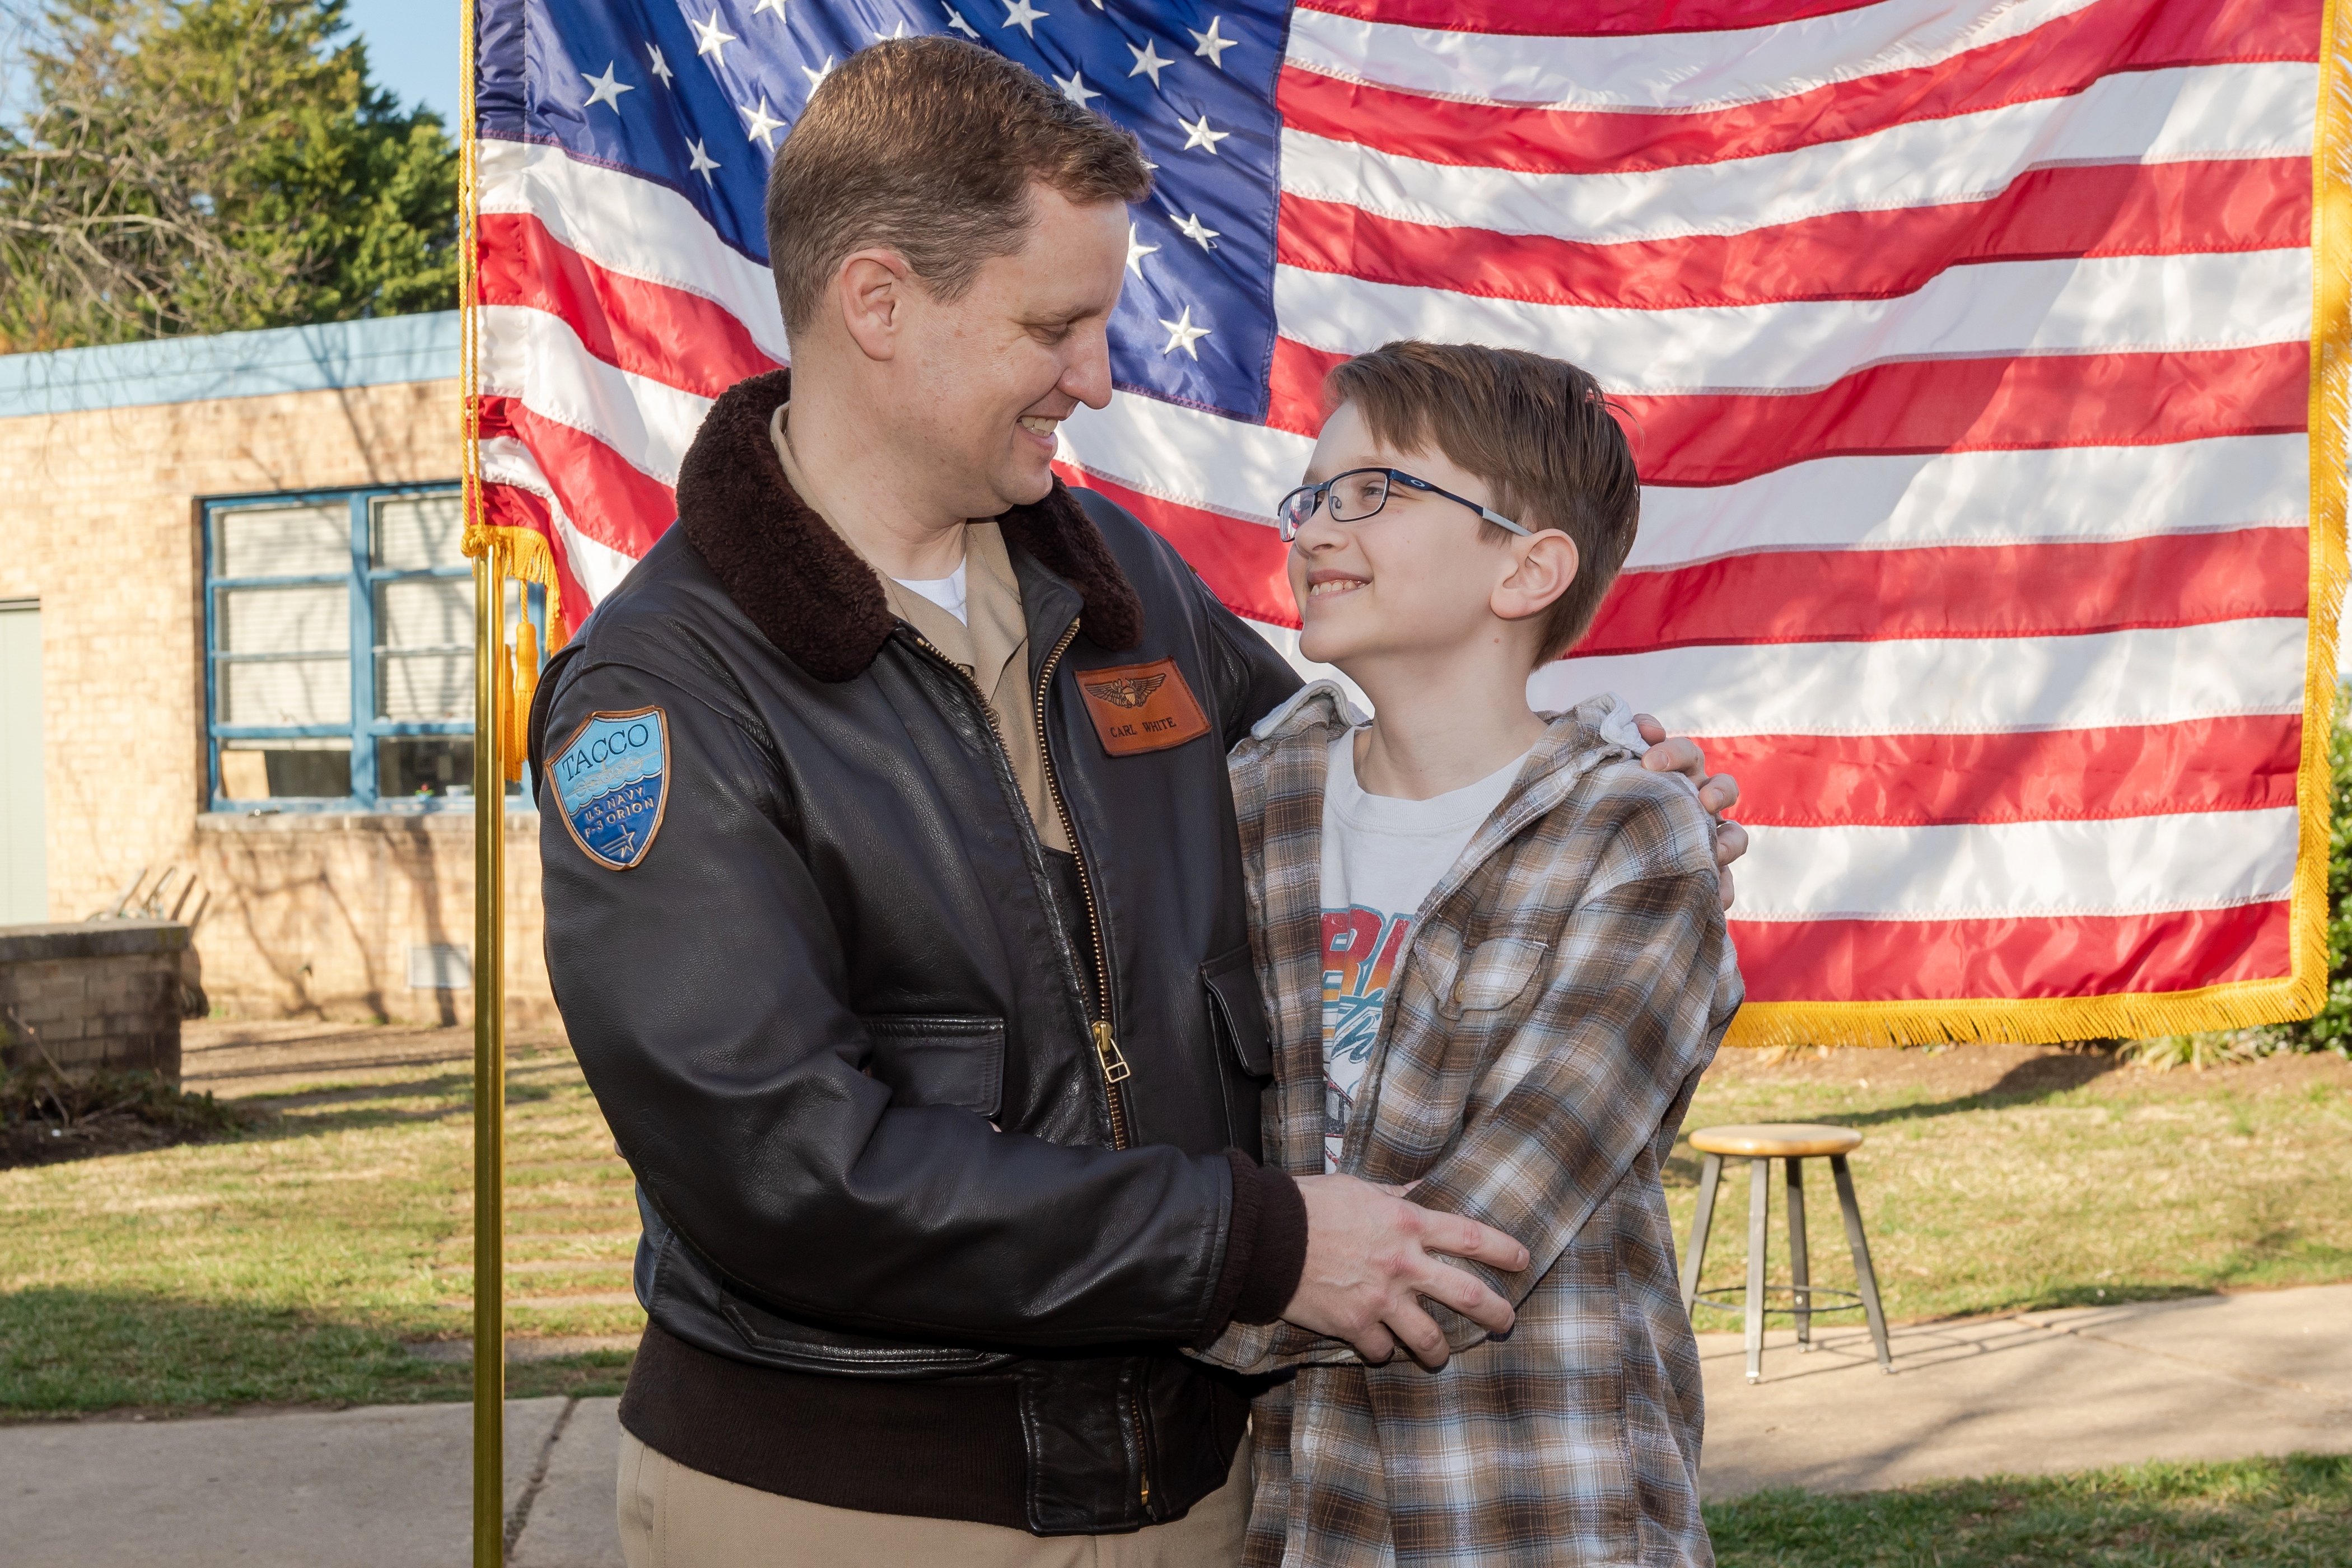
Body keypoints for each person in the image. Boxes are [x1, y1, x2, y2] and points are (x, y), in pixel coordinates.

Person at [527, 38, 1743, 1568]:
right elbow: (788, 1167)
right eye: (1057, 324)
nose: (1097, 379)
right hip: (857, 1509)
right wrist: (1256, 1248)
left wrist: (1597, 781)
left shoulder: (1123, 593)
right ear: (881, 303)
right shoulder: (666, 693)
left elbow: (1381, 767)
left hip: (1211, 1493)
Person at [1196, 342, 1744, 1568]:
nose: (1318, 526)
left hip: (1541, 1506)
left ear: (1528, 566)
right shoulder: (1250, 805)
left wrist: (1148, 1280)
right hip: (1300, 1515)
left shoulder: (1633, 834)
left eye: (1376, 489)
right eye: (1313, 493)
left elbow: (1477, 1237)